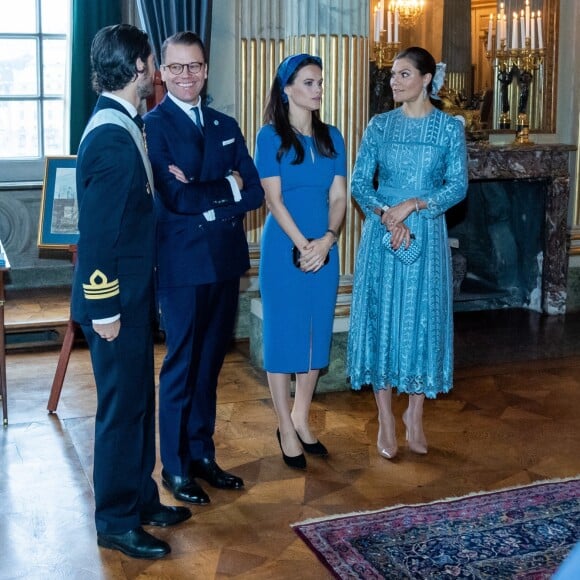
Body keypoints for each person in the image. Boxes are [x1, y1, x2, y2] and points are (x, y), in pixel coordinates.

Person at [71, 24, 191, 560]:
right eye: (153, 61)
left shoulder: (123, 123)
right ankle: (116, 520)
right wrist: (105, 308)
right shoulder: (111, 138)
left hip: (130, 300)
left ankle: (141, 498)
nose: (158, 71)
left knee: (138, 400)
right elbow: (98, 238)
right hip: (113, 304)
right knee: (121, 410)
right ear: (139, 67)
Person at [144, 32, 264, 503]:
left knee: (210, 365)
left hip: (224, 263)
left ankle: (202, 456)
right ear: (162, 74)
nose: (186, 75)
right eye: (176, 67)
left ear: (206, 70)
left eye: (194, 66)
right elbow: (174, 197)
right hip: (180, 266)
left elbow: (253, 191)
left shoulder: (225, 123)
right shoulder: (153, 127)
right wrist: (226, 189)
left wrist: (208, 194)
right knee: (181, 366)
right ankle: (174, 468)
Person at [346, 46, 468, 459]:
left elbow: (457, 186)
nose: (394, 82)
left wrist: (413, 205)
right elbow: (360, 182)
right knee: (383, 318)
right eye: (393, 75)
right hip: (383, 235)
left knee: (421, 320)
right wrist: (386, 214)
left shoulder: (449, 128)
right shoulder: (379, 126)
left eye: (403, 75)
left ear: (426, 78)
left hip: (427, 234)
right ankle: (384, 416)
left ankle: (414, 414)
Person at [254, 54, 347, 469]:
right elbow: (272, 199)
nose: (318, 90)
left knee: (315, 333)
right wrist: (303, 244)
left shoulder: (333, 138)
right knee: (283, 334)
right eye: (309, 82)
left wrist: (326, 240)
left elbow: (340, 197)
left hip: (323, 248)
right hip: (283, 249)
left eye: (320, 82)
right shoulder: (269, 137)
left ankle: (302, 417)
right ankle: (284, 426)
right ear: (287, 88)